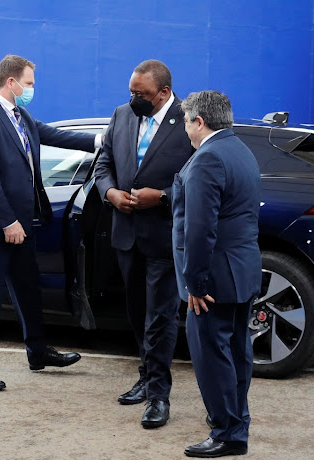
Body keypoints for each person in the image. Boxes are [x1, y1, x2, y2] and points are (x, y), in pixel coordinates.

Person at [0, 54, 102, 391]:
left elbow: (54, 135)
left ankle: (38, 352)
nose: (31, 89)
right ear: (11, 83)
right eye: (29, 83)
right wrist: (7, 222)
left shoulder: (19, 114)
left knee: (28, 291)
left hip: (23, 224)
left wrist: (102, 140)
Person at [94, 59, 193, 429]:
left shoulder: (189, 120)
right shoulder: (122, 114)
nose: (134, 98)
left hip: (165, 237)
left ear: (164, 93)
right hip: (126, 234)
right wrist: (110, 192)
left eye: (143, 94)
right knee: (136, 312)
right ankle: (146, 373)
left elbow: (199, 178)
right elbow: (103, 163)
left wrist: (163, 198)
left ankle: (158, 396)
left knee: (161, 317)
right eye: (131, 91)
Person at [172, 90, 261, 457]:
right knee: (238, 351)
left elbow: (199, 229)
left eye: (186, 121)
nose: (185, 129)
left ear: (200, 121)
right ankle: (236, 423)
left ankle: (226, 433)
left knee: (212, 355)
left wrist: (195, 282)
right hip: (242, 271)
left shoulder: (207, 158)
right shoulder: (240, 149)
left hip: (212, 279)